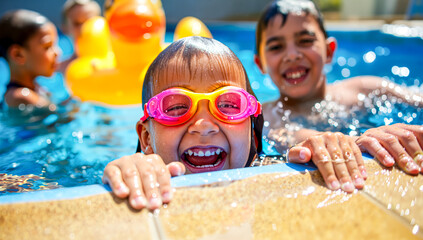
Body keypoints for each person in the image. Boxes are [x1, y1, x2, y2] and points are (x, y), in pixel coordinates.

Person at [102, 36, 367, 211]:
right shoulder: (142, 169)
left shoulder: (272, 165)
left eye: (228, 105)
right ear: (147, 139)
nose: (204, 125)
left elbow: (318, 145)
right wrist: (129, 170)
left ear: (253, 133)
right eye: (177, 107)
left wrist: (337, 145)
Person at [254, 0, 423, 175]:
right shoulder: (267, 117)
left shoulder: (367, 89)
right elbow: (295, 138)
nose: (292, 55)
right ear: (261, 64)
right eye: (276, 47)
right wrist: (358, 141)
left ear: (329, 51)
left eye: (305, 40)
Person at [0, 9, 60, 110]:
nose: (57, 52)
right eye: (47, 47)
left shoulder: (36, 89)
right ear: (18, 55)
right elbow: (63, 118)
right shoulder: (20, 97)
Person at [58, 0, 101, 72]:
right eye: (77, 24)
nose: (83, 28)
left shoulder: (120, 62)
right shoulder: (56, 72)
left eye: (89, 21)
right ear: (65, 28)